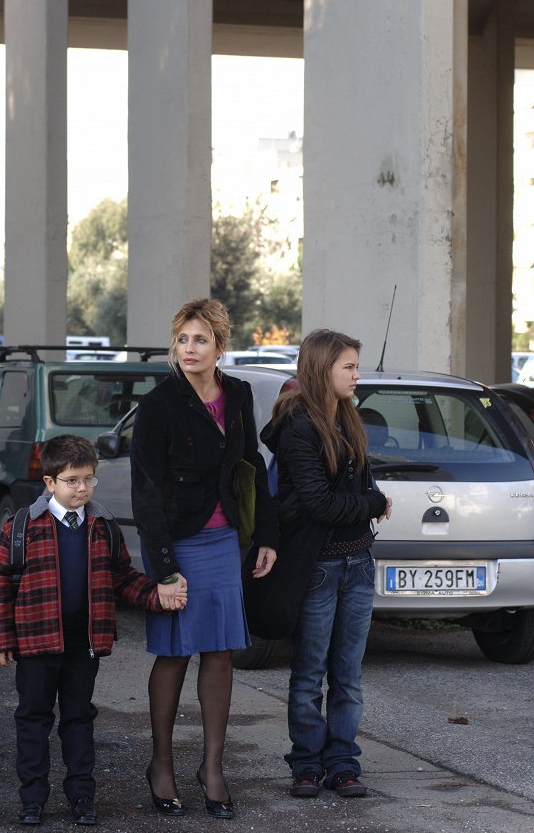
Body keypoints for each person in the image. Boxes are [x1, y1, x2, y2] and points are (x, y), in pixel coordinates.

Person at [0, 434, 186, 828]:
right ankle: (33, 798)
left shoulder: (102, 525)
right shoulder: (22, 527)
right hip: (36, 642)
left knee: (79, 717)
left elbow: (121, 577)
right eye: (72, 480)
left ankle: (81, 796)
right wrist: (0, 640)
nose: (82, 488)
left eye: (88, 479)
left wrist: (156, 594)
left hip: (84, 643)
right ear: (49, 482)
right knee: (33, 718)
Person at [130, 298, 278, 819]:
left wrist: (265, 535)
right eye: (183, 339)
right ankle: (162, 764)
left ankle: (213, 769)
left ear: (220, 345)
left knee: (219, 653)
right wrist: (164, 567)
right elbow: (145, 491)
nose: (189, 349)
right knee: (173, 652)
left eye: (200, 340)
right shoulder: (159, 404)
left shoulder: (236, 394)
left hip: (224, 543)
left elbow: (251, 464)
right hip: (177, 543)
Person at [260, 329, 392, 800]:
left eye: (357, 366)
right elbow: (319, 503)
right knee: (310, 672)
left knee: (349, 675)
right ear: (322, 369)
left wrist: (364, 501)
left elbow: (350, 493)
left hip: (358, 564)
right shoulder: (299, 425)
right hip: (318, 567)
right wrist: (374, 503)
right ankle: (307, 764)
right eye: (349, 367)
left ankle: (342, 763)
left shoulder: (348, 418)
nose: (358, 375)